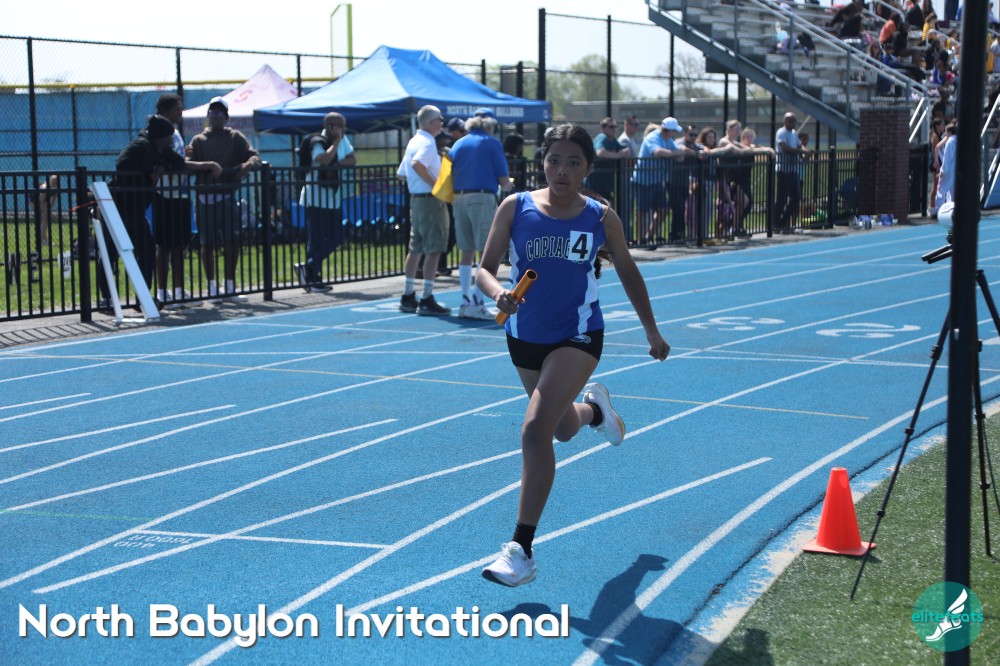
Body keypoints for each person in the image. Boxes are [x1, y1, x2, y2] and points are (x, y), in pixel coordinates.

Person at [475, 124, 670, 587]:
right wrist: (498, 293)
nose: (562, 171)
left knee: (534, 430)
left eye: (573, 163)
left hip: (579, 335)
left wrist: (651, 329)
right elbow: (484, 269)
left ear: (588, 168)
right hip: (525, 336)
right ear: (542, 162)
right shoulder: (515, 206)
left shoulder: (600, 217)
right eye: (554, 161)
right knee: (562, 429)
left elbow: (628, 270)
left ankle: (521, 550)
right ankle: (595, 412)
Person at [104, 115, 185, 303]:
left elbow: (179, 163)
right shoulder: (140, 145)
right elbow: (121, 163)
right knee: (111, 252)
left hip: (137, 208)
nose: (171, 140)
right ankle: (107, 297)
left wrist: (163, 166)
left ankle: (143, 296)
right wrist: (150, 170)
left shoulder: (161, 151)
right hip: (119, 205)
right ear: (160, 137)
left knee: (147, 251)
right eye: (168, 137)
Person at [186, 97, 260, 303]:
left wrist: (247, 165)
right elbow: (187, 163)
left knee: (232, 241)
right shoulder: (198, 140)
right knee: (207, 243)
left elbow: (254, 156)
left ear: (226, 117)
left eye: (219, 113)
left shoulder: (235, 137)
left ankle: (229, 287)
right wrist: (206, 165)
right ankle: (212, 288)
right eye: (212, 112)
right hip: (204, 198)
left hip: (227, 197)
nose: (215, 116)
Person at [448, 108, 512, 319]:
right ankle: (477, 302)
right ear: (490, 125)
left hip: (458, 198)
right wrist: (509, 185)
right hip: (482, 198)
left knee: (466, 251)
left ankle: (466, 301)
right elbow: (504, 180)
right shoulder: (491, 143)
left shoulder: (459, 143)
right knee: (487, 252)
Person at [396, 104, 451, 316]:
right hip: (429, 200)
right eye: (440, 120)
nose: (442, 124)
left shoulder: (414, 141)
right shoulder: (427, 142)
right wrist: (435, 184)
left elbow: (402, 173)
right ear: (431, 122)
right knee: (433, 248)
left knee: (415, 248)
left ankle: (408, 294)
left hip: (416, 200)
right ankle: (427, 297)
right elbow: (417, 164)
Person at [296, 111, 356, 293]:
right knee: (316, 239)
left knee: (337, 237)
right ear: (331, 127)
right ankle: (313, 278)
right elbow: (324, 159)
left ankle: (309, 267)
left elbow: (352, 159)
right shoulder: (317, 141)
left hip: (333, 199)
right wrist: (336, 143)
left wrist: (337, 164)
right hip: (315, 198)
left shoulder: (342, 140)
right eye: (341, 126)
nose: (344, 130)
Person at [152, 93, 198, 310]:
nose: (180, 112)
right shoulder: (158, 133)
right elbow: (169, 161)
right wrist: (206, 165)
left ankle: (179, 291)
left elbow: (178, 159)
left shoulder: (176, 132)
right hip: (165, 195)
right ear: (165, 111)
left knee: (179, 245)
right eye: (176, 108)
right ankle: (163, 293)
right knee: (164, 246)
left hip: (180, 194)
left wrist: (185, 154)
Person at [631, 117, 690, 249]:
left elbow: (679, 156)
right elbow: (657, 152)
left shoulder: (668, 139)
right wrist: (675, 153)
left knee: (664, 209)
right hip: (643, 181)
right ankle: (640, 240)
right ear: (668, 130)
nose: (675, 133)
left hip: (657, 181)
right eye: (674, 131)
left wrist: (676, 153)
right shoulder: (653, 137)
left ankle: (649, 236)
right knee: (643, 211)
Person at [774, 113, 807, 234]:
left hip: (794, 170)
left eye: (795, 121)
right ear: (785, 121)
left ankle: (783, 223)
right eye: (791, 121)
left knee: (796, 197)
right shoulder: (781, 132)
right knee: (782, 198)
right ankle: (776, 224)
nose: (794, 123)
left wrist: (804, 151)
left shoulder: (794, 133)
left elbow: (800, 145)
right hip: (783, 170)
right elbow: (785, 148)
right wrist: (798, 151)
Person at [589, 116, 630, 206]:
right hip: (596, 183)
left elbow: (625, 150)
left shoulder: (613, 140)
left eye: (615, 126)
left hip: (606, 184)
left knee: (608, 207)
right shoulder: (602, 137)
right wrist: (617, 155)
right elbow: (600, 152)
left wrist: (621, 153)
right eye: (611, 127)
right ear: (603, 128)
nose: (614, 129)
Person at [934, 122, 957, 211]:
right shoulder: (958, 141)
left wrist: (942, 171)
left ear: (949, 132)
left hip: (948, 170)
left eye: (946, 132)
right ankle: (952, 210)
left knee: (941, 190)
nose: (945, 134)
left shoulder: (950, 142)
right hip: (955, 170)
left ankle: (939, 209)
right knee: (952, 191)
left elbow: (947, 158)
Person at [34, 174, 59, 246]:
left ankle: (44, 240)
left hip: (44, 201)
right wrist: (48, 213)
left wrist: (48, 211)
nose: (54, 182)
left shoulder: (55, 188)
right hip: (35, 200)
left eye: (55, 181)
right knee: (44, 219)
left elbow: (52, 201)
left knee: (45, 219)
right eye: (53, 180)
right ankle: (41, 241)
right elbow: (40, 201)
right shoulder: (45, 187)